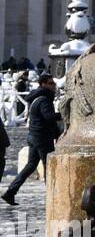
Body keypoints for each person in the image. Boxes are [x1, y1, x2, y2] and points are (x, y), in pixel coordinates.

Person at [2, 73, 62, 206]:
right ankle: (53, 197)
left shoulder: (38, 98)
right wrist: (63, 114)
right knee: (49, 166)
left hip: (34, 136)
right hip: (42, 138)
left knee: (30, 166)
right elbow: (49, 118)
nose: (54, 86)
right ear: (43, 84)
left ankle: (10, 192)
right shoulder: (44, 100)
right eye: (51, 83)